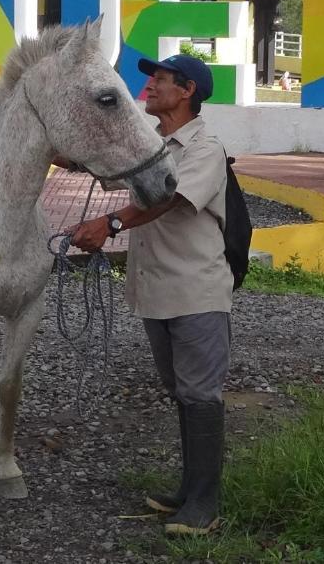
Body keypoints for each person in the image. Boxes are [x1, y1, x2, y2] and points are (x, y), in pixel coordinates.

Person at [70, 53, 231, 536]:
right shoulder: (153, 146)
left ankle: (205, 504)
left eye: (161, 79)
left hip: (197, 292)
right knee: (183, 393)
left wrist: (111, 223)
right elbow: (115, 174)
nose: (151, 86)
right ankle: (188, 492)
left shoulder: (207, 148)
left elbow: (170, 200)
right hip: (158, 292)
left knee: (201, 395)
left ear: (187, 91)